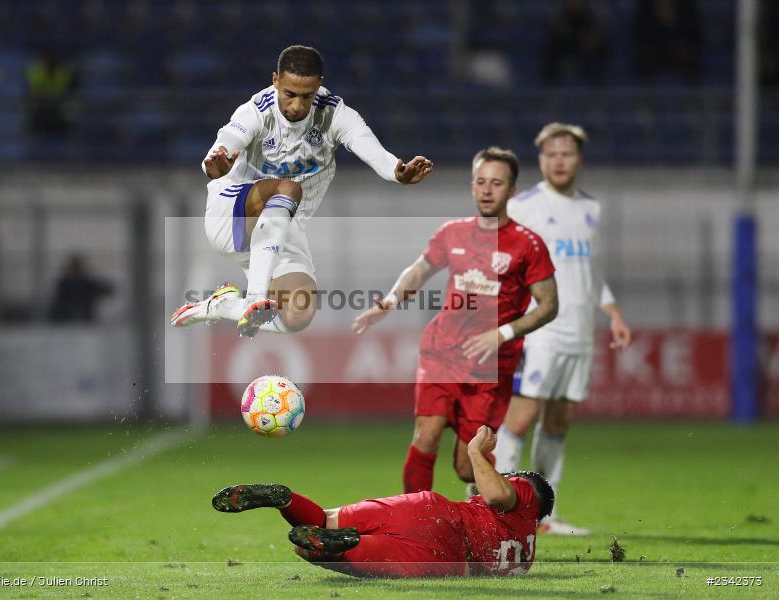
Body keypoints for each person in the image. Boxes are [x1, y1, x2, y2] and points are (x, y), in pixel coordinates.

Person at [170, 45, 433, 337]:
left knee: (300, 313)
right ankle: (255, 298)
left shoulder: (335, 114)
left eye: (306, 96)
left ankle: (227, 306)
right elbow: (227, 141)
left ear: (318, 85)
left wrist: (398, 172)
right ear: (275, 81)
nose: (296, 105)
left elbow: (369, 146)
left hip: (281, 231)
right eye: (289, 94)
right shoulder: (256, 111)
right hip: (232, 218)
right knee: (288, 188)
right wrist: (215, 166)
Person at [351, 147, 558, 496]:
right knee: (425, 435)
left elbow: (549, 305)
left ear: (511, 191)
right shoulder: (452, 233)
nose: (487, 189)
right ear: (472, 186)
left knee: (467, 467)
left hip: (489, 368)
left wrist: (502, 334)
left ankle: (518, 506)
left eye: (496, 183)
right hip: (442, 354)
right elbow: (420, 269)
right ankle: (413, 523)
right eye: (480, 182)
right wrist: (388, 301)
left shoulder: (528, 246)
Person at [493, 123, 632, 536]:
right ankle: (499, 505)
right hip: (541, 330)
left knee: (558, 422)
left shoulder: (590, 209)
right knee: (521, 417)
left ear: (578, 160)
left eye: (566, 154)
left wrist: (613, 312)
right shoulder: (525, 206)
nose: (558, 161)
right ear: (540, 160)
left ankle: (543, 514)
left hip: (579, 332)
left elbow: (588, 271)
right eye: (551, 154)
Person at [212, 425, 554, 578]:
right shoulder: (524, 559)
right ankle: (338, 546)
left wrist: (474, 451)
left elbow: (496, 494)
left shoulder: (524, 493)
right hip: (443, 557)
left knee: (325, 520)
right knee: (320, 549)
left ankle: (284, 500)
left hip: (431, 510)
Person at [48, 254, 113, 323]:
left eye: (77, 267)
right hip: (65, 319)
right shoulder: (65, 283)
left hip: (84, 318)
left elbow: (104, 289)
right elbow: (59, 301)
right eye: (74, 267)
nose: (76, 270)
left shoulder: (86, 282)